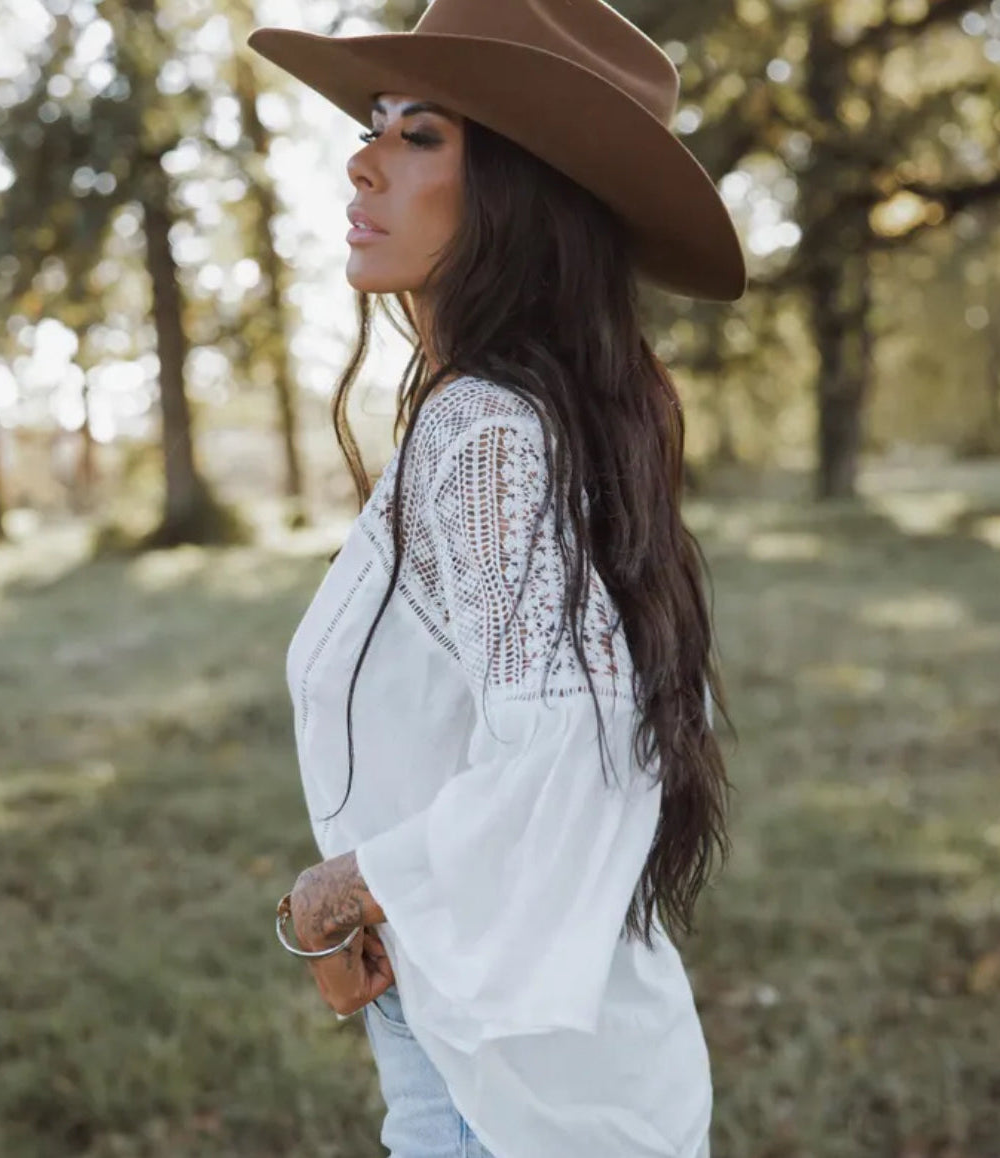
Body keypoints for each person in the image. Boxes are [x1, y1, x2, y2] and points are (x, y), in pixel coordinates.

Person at [252, 1, 747, 1155]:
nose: (361, 162)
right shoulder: (534, 415)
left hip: (519, 1101)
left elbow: (575, 738)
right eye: (372, 125)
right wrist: (395, 902)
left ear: (521, 192)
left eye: (419, 136)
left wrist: (352, 885)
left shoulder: (484, 429)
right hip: (496, 1052)